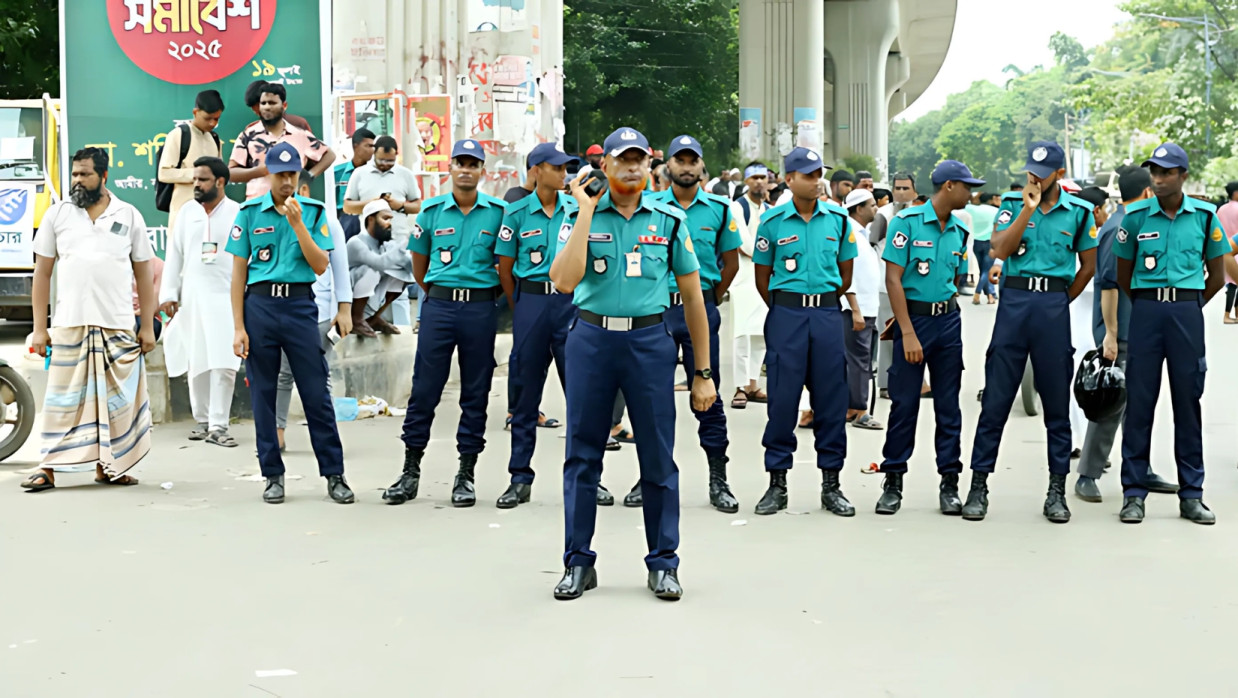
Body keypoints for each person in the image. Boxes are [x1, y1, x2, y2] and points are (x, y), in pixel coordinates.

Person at [548, 126, 715, 601]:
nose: (632, 166)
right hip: (591, 339)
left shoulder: (668, 221)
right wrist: (584, 211)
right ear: (605, 166)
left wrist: (701, 373)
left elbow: (693, 298)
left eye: (640, 159)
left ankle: (663, 563)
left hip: (649, 341)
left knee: (658, 456)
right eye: (623, 158)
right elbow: (563, 281)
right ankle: (578, 562)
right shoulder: (579, 214)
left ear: (650, 166)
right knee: (582, 454)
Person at [961, 141, 1096, 523]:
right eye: (1030, 171)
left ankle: (1056, 490)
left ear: (1060, 174)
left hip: (1052, 305)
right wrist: (1028, 208)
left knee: (1056, 405)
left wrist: (1061, 300)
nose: (1034, 177)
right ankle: (979, 486)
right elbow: (1000, 248)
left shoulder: (1080, 213)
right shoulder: (1010, 205)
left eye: (1043, 172)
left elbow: (1087, 264)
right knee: (996, 402)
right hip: (1015, 304)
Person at [21, 148, 155, 493]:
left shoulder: (128, 214)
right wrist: (39, 328)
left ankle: (111, 466)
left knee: (118, 402)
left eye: (85, 175)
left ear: (104, 176)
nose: (78, 181)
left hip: (118, 323)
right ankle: (48, 467)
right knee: (64, 402)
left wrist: (146, 325)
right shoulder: (58, 215)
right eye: (75, 174)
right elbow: (42, 273)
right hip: (70, 321)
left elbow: (144, 273)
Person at [226, 142, 354, 505]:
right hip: (260, 305)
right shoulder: (250, 213)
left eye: (292, 174)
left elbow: (319, 265)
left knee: (315, 392)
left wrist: (298, 224)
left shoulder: (313, 213)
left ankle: (334, 473)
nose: (286, 181)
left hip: (299, 306)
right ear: (267, 174)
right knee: (263, 394)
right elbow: (238, 274)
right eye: (279, 174)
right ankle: (273, 475)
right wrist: (239, 326)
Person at [383, 139, 505, 508]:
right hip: (440, 307)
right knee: (424, 390)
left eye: (474, 164)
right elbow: (420, 268)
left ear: (483, 171)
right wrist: (441, 295)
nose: (466, 169)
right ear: (449, 168)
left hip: (481, 309)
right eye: (460, 163)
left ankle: (465, 474)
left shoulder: (499, 213)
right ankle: (410, 471)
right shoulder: (432, 211)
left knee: (476, 392)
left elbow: (504, 265)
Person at [1113, 143, 1229, 525]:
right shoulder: (1135, 218)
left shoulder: (1205, 217)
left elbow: (1215, 274)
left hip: (1186, 312)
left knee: (1188, 403)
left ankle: (1191, 494)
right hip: (1146, 311)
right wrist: (1152, 303)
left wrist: (1187, 305)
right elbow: (1125, 275)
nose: (1158, 180)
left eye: (1166, 173)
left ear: (1183, 175)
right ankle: (1133, 494)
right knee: (1140, 404)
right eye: (1154, 173)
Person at [638, 134, 742, 513]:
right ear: (668, 167)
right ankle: (648, 478)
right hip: (655, 313)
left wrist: (709, 297)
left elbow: (729, 263)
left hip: (699, 312)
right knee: (650, 399)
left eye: (692, 160)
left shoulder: (718, 208)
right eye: (678, 160)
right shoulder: (649, 207)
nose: (685, 166)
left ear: (701, 167)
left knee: (708, 396)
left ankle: (719, 478)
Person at [752, 147, 857, 517]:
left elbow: (845, 275)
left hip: (827, 314)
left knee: (831, 400)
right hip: (787, 316)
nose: (817, 181)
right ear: (790, 179)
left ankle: (832, 485)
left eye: (819, 174)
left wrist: (820, 302)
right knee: (782, 400)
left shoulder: (840, 220)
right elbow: (762, 279)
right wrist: (788, 308)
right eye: (809, 175)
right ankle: (776, 484)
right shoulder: (773, 222)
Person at [874, 161, 983, 515]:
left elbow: (955, 279)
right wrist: (907, 332)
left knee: (948, 407)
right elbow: (894, 280)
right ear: (949, 186)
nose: (972, 192)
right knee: (904, 406)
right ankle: (893, 481)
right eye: (967, 186)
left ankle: (949, 482)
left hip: (947, 322)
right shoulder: (905, 224)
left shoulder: (959, 230)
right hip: (914, 320)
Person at [1074, 165, 1177, 502]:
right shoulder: (1118, 228)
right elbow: (1109, 285)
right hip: (1122, 335)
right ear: (1147, 193)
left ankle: (1139, 468)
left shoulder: (1140, 224)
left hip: (1145, 331)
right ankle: (1088, 473)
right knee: (1111, 403)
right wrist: (1110, 335)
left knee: (1141, 406)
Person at [494, 142, 581, 509]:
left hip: (570, 302)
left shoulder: (577, 211)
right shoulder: (515, 213)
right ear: (535, 171)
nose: (564, 175)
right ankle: (519, 477)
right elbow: (504, 267)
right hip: (530, 300)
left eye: (566, 169)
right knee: (525, 392)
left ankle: (588, 477)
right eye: (557, 168)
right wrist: (522, 305)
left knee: (580, 393)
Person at [159, 156, 241, 447]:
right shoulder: (186, 213)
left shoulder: (238, 213)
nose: (195, 184)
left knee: (223, 362)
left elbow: (247, 258)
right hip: (192, 297)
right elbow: (175, 254)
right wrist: (169, 293)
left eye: (202, 179)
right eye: (194, 179)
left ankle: (219, 425)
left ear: (220, 182)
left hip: (226, 298)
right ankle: (203, 420)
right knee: (198, 360)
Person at [273, 202, 353, 453]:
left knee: (318, 378)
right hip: (284, 309)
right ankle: (277, 435)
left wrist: (344, 309)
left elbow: (340, 267)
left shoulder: (327, 220)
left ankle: (327, 437)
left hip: (319, 312)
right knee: (283, 375)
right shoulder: (271, 217)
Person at [229, 83, 335, 200]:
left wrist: (309, 175)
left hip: (293, 204)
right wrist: (258, 172)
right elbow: (231, 173)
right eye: (263, 103)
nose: (267, 107)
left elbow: (330, 155)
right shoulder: (248, 136)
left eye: (272, 103)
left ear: (284, 105)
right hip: (258, 205)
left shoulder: (300, 135)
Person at [729, 163, 772, 408]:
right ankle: (739, 387)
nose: (759, 182)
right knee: (741, 334)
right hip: (743, 278)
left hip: (764, 277)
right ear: (746, 181)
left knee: (760, 335)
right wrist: (766, 256)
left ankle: (753, 384)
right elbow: (744, 244)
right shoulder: (737, 208)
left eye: (763, 177)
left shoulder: (769, 210)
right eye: (754, 177)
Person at [841, 188, 884, 431]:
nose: (876, 209)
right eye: (871, 205)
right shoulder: (851, 234)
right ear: (858, 208)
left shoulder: (860, 233)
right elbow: (848, 275)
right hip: (856, 309)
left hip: (866, 307)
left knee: (859, 358)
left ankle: (851, 407)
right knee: (860, 359)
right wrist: (855, 309)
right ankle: (860, 410)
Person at [157, 89, 224, 230]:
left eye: (216, 119)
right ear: (195, 112)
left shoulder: (215, 139)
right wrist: (197, 174)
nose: (212, 123)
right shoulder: (179, 134)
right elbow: (163, 173)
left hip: (211, 215)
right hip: (183, 213)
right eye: (208, 118)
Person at [346, 200, 409, 336]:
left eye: (390, 219)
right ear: (371, 219)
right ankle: (356, 320)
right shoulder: (356, 242)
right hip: (347, 299)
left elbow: (407, 262)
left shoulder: (384, 244)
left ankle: (373, 318)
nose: (389, 224)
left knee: (403, 274)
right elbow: (378, 264)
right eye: (385, 219)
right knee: (371, 269)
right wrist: (404, 244)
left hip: (369, 292)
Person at [342, 135, 423, 239]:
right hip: (368, 240)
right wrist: (372, 204)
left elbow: (418, 206)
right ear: (374, 153)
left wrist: (400, 206)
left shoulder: (406, 174)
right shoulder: (359, 173)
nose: (384, 164)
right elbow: (347, 207)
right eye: (381, 160)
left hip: (399, 239)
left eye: (390, 161)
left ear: (396, 155)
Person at [333, 128, 376, 238]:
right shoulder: (337, 173)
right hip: (344, 219)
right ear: (355, 147)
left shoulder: (375, 174)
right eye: (368, 146)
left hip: (370, 216)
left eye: (373, 146)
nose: (372, 150)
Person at [966, 191, 1001, 304]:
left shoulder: (971, 209)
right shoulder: (996, 211)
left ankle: (990, 295)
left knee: (982, 270)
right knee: (987, 270)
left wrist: (974, 198)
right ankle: (977, 293)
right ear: (991, 200)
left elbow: (966, 203)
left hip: (976, 241)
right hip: (989, 242)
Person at [244, 80, 314, 133]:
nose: (266, 107)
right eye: (263, 103)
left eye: (270, 102)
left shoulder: (299, 124)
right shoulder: (251, 130)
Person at [1218, 181, 1238, 323]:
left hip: (1224, 249)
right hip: (1236, 249)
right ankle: (1229, 315)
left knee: (1231, 284)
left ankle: (1231, 314)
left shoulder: (1221, 210)